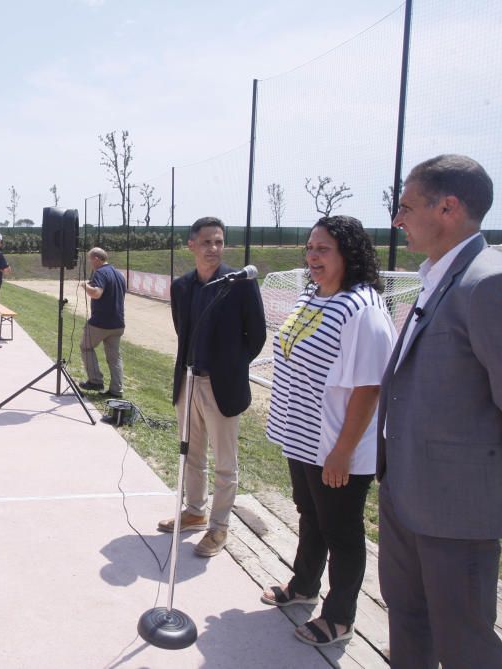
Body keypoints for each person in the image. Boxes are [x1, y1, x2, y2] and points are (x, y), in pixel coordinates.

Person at [377, 155, 502, 667]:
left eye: (406, 206)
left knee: (464, 643)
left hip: (459, 507)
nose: (398, 219)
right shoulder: (439, 276)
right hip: (407, 490)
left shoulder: (489, 283)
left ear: (448, 206)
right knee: (407, 619)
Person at [260, 216, 396, 648]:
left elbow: (370, 386)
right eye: (310, 248)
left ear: (348, 254)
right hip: (302, 438)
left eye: (324, 249)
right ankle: (303, 586)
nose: (312, 257)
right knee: (310, 516)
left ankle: (339, 618)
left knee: (342, 532)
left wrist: (342, 452)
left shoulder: (363, 308)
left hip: (338, 448)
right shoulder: (311, 295)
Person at [156, 217, 266, 557]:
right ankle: (194, 511)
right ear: (191, 246)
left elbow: (257, 336)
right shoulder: (182, 286)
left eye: (219, 242)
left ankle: (219, 529)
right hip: (188, 382)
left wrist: (230, 366)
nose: (214, 248)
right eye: (206, 242)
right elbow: (182, 329)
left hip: (222, 387)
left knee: (224, 463)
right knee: (191, 454)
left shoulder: (240, 284)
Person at [78, 247, 126, 398]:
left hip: (100, 322)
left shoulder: (100, 272)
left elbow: (97, 293)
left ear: (97, 259)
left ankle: (95, 381)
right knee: (114, 357)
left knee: (86, 347)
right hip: (118, 323)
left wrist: (85, 286)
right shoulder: (119, 274)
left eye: (90, 259)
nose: (90, 263)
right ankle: (116, 390)